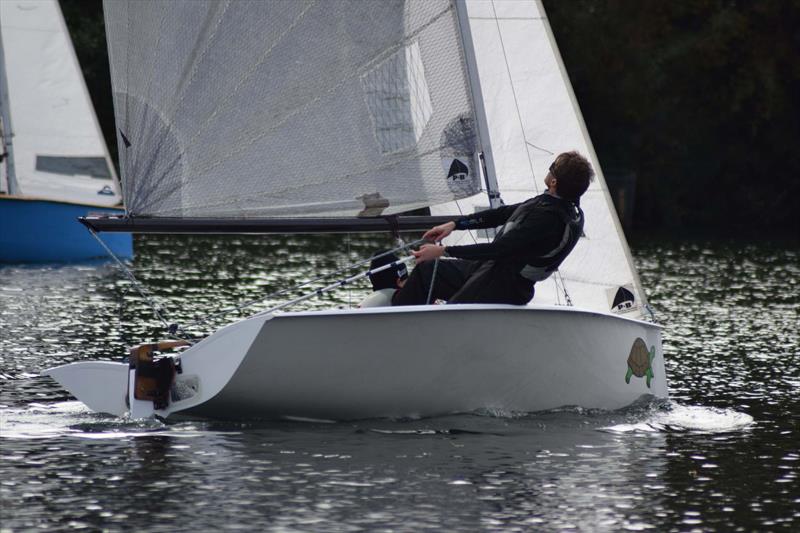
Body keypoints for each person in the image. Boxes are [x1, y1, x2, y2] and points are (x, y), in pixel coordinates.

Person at [392, 151, 594, 306]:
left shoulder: (549, 220)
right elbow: (501, 214)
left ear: (553, 181)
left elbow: (499, 250)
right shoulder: (554, 205)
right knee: (426, 273)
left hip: (504, 285)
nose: (549, 169)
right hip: (489, 269)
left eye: (552, 167)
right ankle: (392, 324)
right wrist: (455, 225)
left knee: (450, 312)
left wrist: (444, 250)